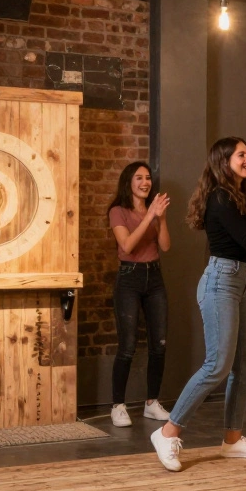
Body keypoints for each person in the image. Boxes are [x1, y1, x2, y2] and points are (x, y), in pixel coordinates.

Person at [149, 137, 246, 472]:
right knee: (217, 365)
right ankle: (167, 431)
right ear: (224, 161)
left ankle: (232, 440)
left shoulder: (238, 197)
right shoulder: (220, 198)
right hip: (221, 280)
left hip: (242, 279)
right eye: (241, 154)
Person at [107, 161, 171, 427]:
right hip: (130, 278)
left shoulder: (154, 212)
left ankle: (151, 403)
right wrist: (149, 216)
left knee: (160, 344)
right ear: (128, 183)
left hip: (154, 277)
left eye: (147, 178)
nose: (145, 182)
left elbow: (165, 246)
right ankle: (118, 406)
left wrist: (162, 218)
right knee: (128, 346)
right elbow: (128, 245)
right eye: (139, 178)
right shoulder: (118, 211)